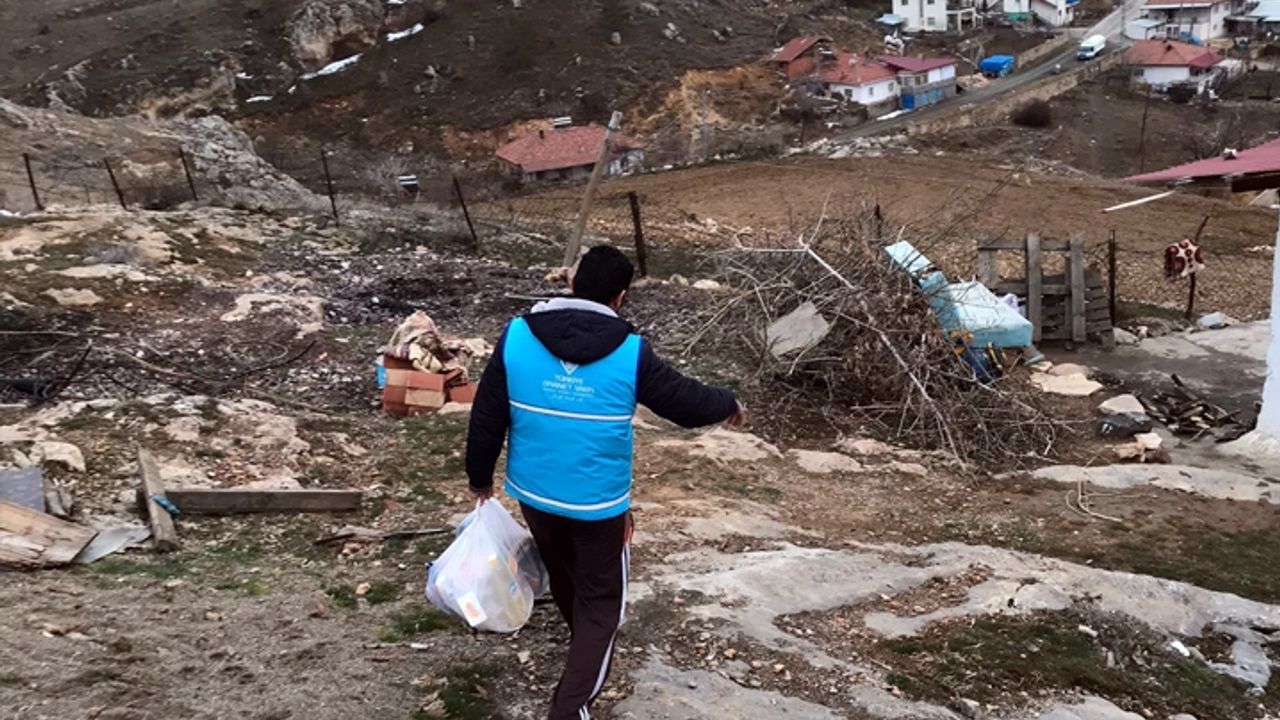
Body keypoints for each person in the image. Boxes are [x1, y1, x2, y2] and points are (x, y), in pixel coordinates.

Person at [465, 245, 743, 720]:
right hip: (597, 505)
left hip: (533, 492)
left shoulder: (515, 336)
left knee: (567, 572)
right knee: (604, 605)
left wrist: (479, 478)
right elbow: (684, 401)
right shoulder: (630, 352)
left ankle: (582, 646)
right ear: (620, 297)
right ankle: (570, 707)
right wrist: (728, 402)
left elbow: (487, 413)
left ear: (572, 282)